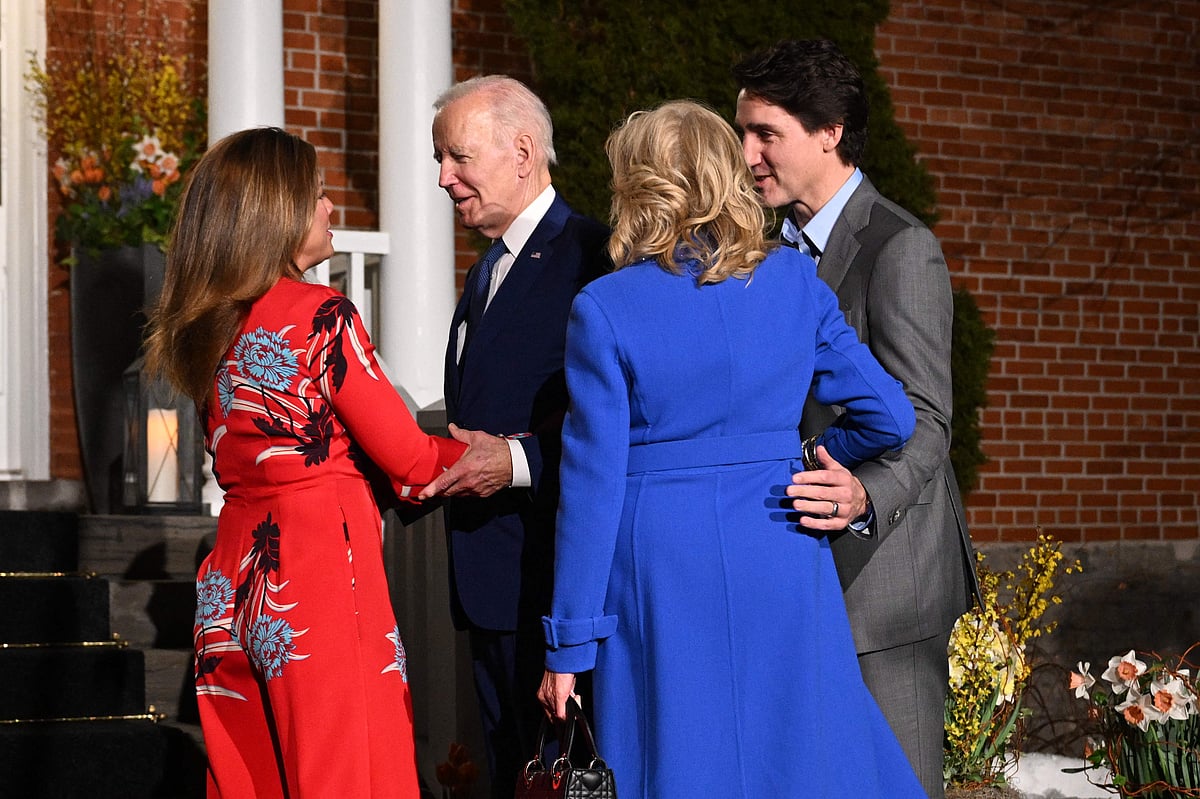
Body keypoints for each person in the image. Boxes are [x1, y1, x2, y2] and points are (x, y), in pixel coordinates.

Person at [536, 100, 926, 798]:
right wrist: (808, 456)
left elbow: (591, 489)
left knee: (677, 755)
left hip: (659, 563)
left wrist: (568, 645)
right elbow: (891, 416)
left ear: (639, 187)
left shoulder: (605, 306)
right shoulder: (793, 283)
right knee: (800, 755)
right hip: (778, 536)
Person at [144, 126, 468, 798]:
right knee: (348, 777)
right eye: (317, 197)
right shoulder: (321, 315)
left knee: (249, 783)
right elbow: (409, 457)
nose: (329, 209)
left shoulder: (211, 324)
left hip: (229, 586)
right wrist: (488, 451)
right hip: (313, 581)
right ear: (280, 218)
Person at [733, 39, 980, 799]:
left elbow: (931, 421)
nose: (746, 156)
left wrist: (864, 495)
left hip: (887, 594)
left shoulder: (900, 248)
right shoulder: (755, 254)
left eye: (765, 134)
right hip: (790, 575)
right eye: (742, 134)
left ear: (831, 129)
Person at [419, 75, 610, 798]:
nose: (443, 178)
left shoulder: (591, 256)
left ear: (523, 151)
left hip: (554, 584)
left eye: (458, 157)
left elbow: (617, 417)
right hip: (487, 585)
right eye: (440, 159)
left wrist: (521, 460)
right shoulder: (483, 272)